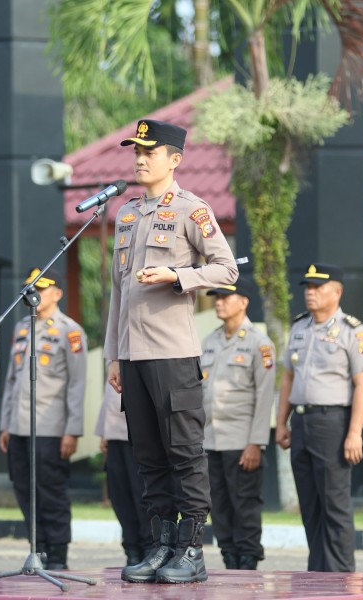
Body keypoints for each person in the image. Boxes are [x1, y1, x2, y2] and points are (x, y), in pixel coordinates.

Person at [104, 118, 239, 584]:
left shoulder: (192, 211)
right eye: (135, 152)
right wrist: (113, 356)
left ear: (174, 159)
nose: (140, 159)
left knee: (183, 452)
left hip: (173, 355)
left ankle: (192, 550)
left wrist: (178, 277)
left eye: (149, 152)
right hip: (133, 356)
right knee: (148, 455)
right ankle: (161, 545)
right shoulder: (125, 214)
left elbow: (226, 270)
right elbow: (118, 293)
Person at [275, 263, 363, 572]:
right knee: (310, 504)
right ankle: (317, 574)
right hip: (302, 423)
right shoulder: (300, 327)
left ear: (337, 291)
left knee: (334, 504)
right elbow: (288, 379)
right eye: (307, 287)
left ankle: (342, 578)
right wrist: (281, 422)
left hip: (333, 423)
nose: (310, 293)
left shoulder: (352, 331)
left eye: (318, 287)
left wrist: (355, 432)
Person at [0, 268, 86, 570]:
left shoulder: (69, 331)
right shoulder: (22, 327)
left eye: (42, 288)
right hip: (20, 426)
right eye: (30, 288)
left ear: (57, 293)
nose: (34, 293)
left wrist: (72, 430)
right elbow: (12, 380)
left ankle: (58, 556)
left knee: (51, 494)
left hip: (51, 427)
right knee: (25, 491)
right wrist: (6, 424)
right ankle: (38, 551)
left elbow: (77, 385)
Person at [201, 278, 276, 570]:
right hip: (211, 441)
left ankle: (247, 562)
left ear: (243, 301)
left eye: (225, 296)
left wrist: (256, 442)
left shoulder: (260, 343)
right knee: (218, 506)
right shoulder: (208, 342)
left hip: (242, 441)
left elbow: (265, 396)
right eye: (216, 297)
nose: (219, 301)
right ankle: (229, 558)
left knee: (245, 505)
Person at [94, 371, 151, 566]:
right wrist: (104, 431)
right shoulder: (114, 350)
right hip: (114, 433)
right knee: (120, 497)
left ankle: (149, 549)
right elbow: (109, 395)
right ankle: (132, 550)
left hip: (139, 433)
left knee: (142, 496)